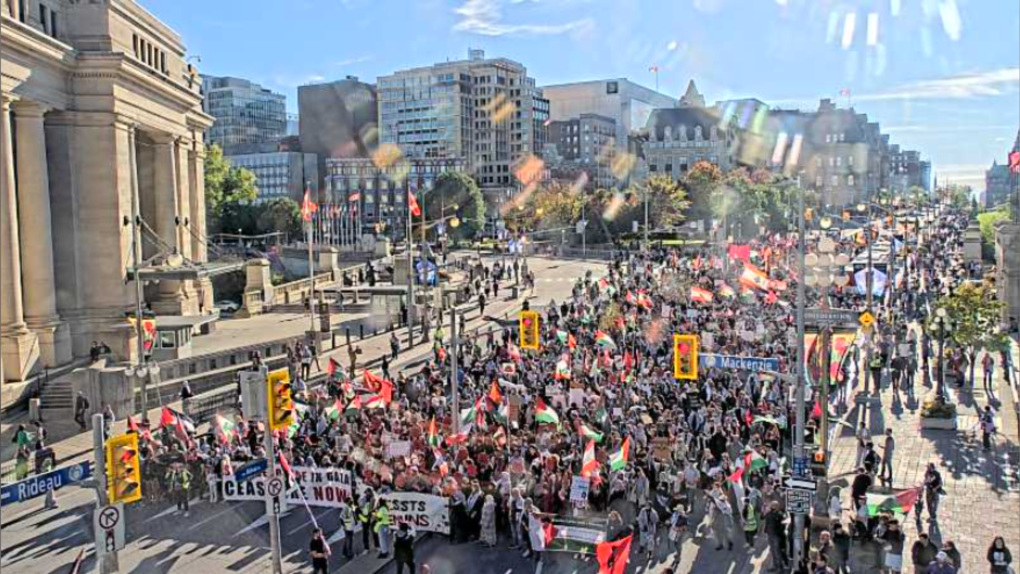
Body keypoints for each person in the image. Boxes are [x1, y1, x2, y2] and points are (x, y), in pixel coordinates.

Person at [765, 501, 788, 572]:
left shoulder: (780, 515)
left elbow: (783, 526)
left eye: (773, 505)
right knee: (773, 552)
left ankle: (780, 568)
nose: (771, 507)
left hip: (776, 536)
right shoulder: (768, 514)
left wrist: (779, 536)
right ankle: (775, 566)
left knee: (777, 552)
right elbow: (766, 522)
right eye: (771, 505)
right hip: (771, 535)